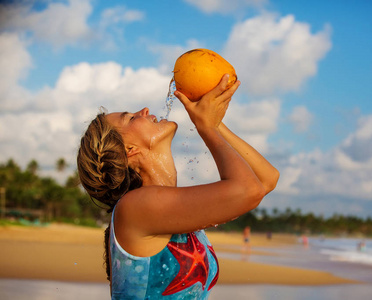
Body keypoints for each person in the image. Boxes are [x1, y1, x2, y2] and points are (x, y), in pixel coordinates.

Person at [77, 74, 279, 299]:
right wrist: (206, 127)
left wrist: (214, 122)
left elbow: (266, 180)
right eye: (132, 118)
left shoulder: (166, 207)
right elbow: (249, 191)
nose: (144, 110)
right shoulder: (135, 208)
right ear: (129, 150)